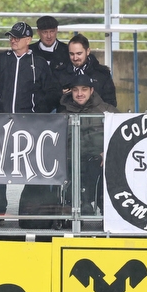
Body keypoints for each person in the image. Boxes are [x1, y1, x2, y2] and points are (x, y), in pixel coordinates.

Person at [0, 21, 58, 215]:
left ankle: (30, 206)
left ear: (28, 40)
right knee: (0, 165)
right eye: (11, 37)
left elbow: (50, 93)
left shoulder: (38, 63)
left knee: (30, 163)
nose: (13, 40)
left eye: (17, 37)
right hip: (1, 123)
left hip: (29, 124)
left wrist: (36, 114)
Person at [58, 73, 116, 216]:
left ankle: (104, 211)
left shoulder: (107, 111)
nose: (79, 94)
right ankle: (80, 206)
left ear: (91, 90)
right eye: (75, 90)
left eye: (84, 89)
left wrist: (107, 152)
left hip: (98, 161)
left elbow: (120, 137)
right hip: (72, 162)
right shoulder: (63, 113)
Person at [59, 34, 117, 107]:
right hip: (67, 116)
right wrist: (61, 95)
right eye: (71, 54)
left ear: (88, 51)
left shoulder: (103, 73)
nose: (75, 58)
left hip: (97, 116)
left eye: (79, 54)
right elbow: (52, 102)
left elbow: (111, 102)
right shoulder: (59, 73)